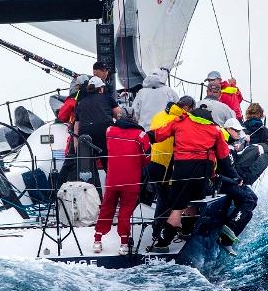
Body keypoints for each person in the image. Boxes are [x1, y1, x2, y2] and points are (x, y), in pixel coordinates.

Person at [147, 104, 239, 251]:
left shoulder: (180, 121)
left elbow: (158, 135)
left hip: (182, 170)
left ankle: (163, 243)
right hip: (203, 171)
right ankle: (186, 231)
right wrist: (235, 177)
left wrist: (143, 137)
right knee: (194, 204)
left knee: (177, 208)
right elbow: (224, 157)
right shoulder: (215, 129)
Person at [93, 108, 151, 255]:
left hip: (113, 179)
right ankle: (124, 244)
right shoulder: (141, 135)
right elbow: (147, 158)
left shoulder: (110, 131)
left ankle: (97, 241)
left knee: (106, 208)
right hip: (131, 180)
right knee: (125, 212)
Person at [219, 132, 268, 255]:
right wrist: (242, 180)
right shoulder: (267, 153)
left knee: (251, 205)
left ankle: (226, 241)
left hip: (231, 177)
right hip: (233, 181)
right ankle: (229, 226)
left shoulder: (257, 145)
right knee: (248, 200)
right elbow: (254, 170)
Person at [148, 95, 196, 241]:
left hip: (154, 162)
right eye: (192, 110)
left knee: (162, 198)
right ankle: (159, 233)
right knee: (167, 201)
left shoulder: (159, 115)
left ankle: (159, 229)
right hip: (169, 166)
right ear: (187, 108)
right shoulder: (181, 120)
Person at [74, 76, 121, 170]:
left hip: (86, 135)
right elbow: (119, 115)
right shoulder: (107, 98)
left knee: (86, 167)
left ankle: (91, 183)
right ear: (101, 88)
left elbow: (77, 124)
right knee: (108, 164)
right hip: (105, 132)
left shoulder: (81, 103)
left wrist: (76, 142)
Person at [57, 75, 89, 187]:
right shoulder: (95, 96)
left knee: (69, 161)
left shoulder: (72, 100)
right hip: (92, 132)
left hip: (76, 134)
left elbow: (61, 116)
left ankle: (58, 187)